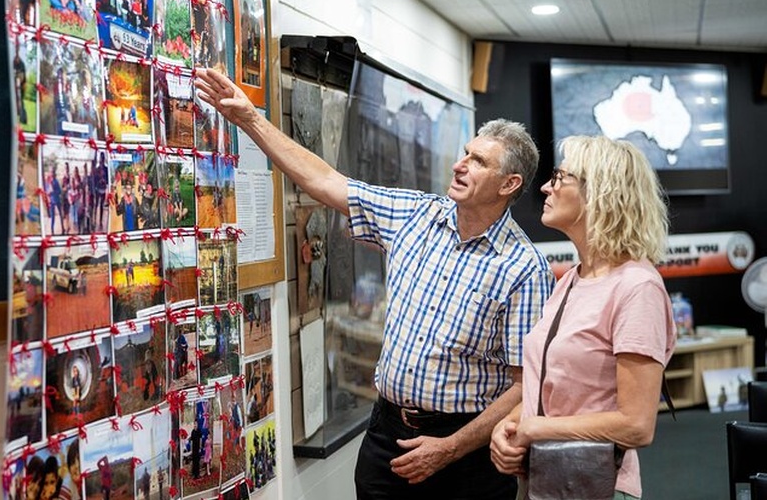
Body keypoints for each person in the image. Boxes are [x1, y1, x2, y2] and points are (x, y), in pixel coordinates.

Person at [195, 68, 554, 500]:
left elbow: (523, 385)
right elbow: (326, 181)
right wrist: (251, 119)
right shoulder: (415, 215)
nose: (460, 165)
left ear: (509, 184)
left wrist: (450, 448)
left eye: (479, 162)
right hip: (387, 433)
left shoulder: (524, 267)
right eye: (465, 153)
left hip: (466, 453)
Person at [489, 136, 676, 500]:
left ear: (600, 193)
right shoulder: (571, 280)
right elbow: (549, 386)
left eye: (559, 177)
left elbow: (637, 425)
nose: (545, 186)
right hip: (545, 480)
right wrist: (509, 424)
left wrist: (535, 428)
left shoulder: (637, 287)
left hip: (596, 486)